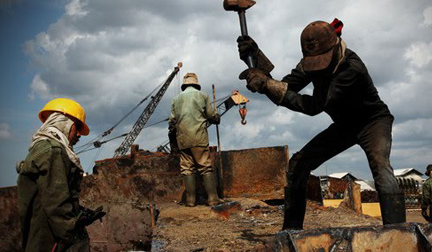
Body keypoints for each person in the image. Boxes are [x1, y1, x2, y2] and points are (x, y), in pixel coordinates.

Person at [237, 19, 405, 229]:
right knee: (298, 165)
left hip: (373, 121)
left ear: (336, 47)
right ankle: (291, 233)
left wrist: (267, 85)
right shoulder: (312, 61)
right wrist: (257, 60)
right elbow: (288, 86)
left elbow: (313, 106)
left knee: (380, 168)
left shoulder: (352, 69)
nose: (318, 67)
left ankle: (398, 232)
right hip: (345, 125)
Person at [17, 98, 100, 252]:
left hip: (40, 250)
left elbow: (48, 202)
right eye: (77, 128)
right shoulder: (53, 151)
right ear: (65, 123)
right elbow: (60, 212)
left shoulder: (39, 148)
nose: (79, 135)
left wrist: (79, 212)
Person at [168, 72, 222, 207]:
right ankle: (213, 199)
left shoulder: (176, 99)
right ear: (196, 84)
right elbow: (210, 115)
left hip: (183, 139)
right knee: (205, 166)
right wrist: (216, 117)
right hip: (198, 137)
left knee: (187, 169)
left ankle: (190, 201)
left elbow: (172, 122)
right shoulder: (203, 95)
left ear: (184, 85)